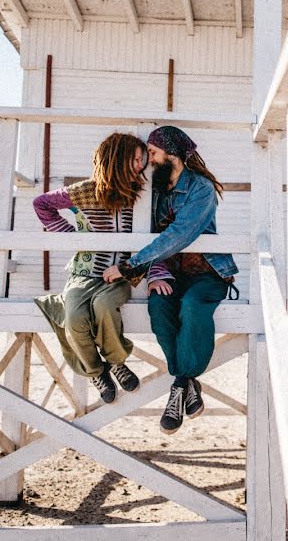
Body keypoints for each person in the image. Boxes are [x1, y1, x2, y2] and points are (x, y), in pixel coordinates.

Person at [102, 126, 238, 435]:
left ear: (171, 153)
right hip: (170, 273)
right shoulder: (156, 191)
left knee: (191, 306)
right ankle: (186, 383)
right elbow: (152, 232)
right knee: (160, 306)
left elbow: (180, 234)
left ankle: (180, 383)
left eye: (152, 152)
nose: (149, 160)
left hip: (207, 272)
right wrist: (155, 273)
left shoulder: (200, 188)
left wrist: (132, 265)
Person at [32, 132, 147, 405]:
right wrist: (71, 236)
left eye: (142, 161)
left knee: (104, 307)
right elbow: (42, 204)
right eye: (135, 160)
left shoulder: (141, 197)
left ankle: (117, 362)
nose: (140, 167)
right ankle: (97, 372)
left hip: (119, 275)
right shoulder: (85, 191)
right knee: (73, 319)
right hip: (83, 274)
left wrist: (128, 268)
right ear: (116, 159)